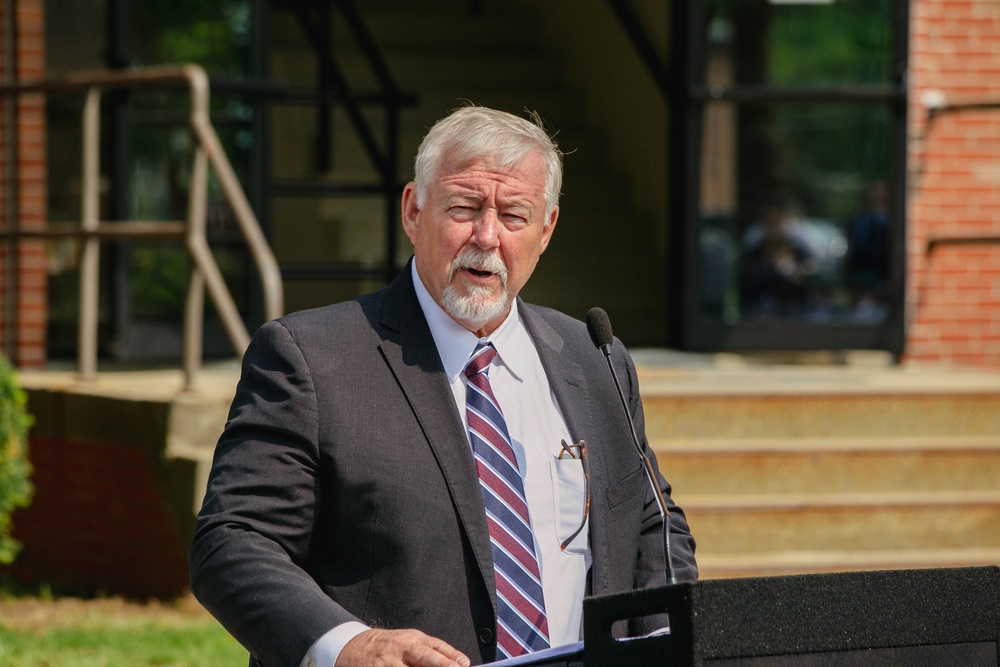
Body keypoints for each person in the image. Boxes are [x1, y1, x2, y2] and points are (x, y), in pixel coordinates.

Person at [189, 105, 698, 667]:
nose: (486, 236)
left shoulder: (594, 356)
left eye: (514, 216)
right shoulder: (310, 358)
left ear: (547, 229)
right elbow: (233, 541)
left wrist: (663, 647)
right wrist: (348, 645)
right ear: (413, 211)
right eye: (464, 208)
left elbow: (651, 524)